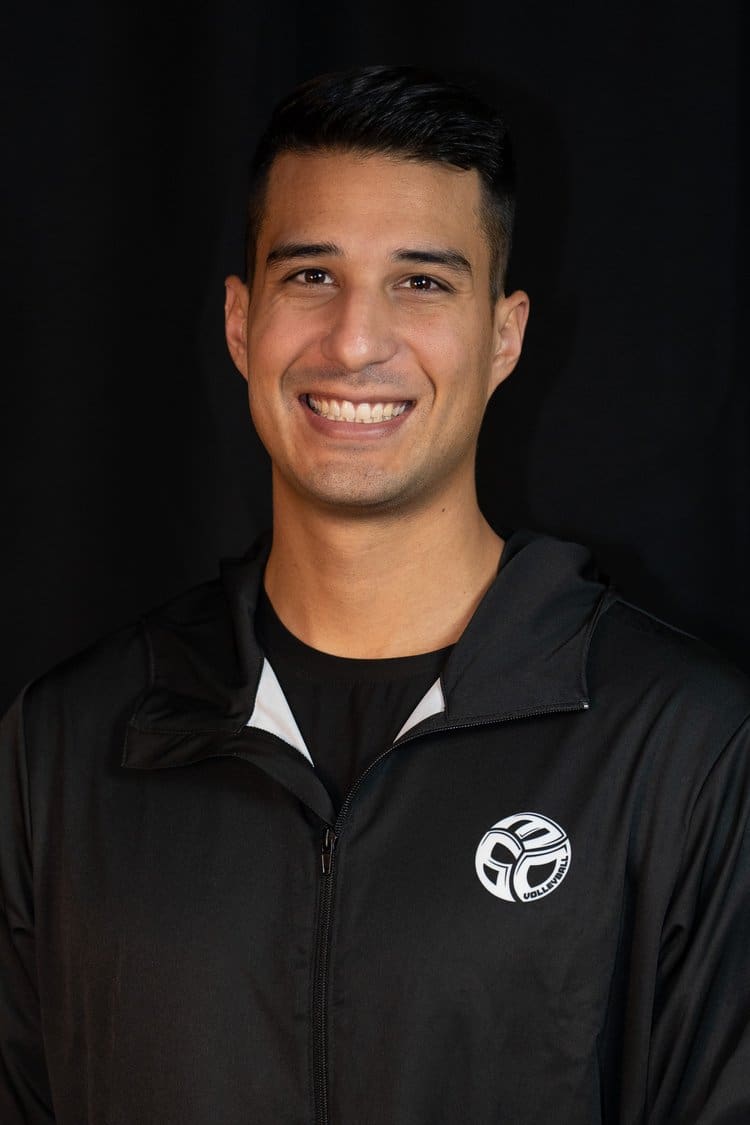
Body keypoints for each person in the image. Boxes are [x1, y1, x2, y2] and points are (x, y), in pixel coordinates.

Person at [1, 65, 749, 1125]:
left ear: (504, 335)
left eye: (422, 282)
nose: (355, 340)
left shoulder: (685, 749)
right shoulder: (63, 747)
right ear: (239, 321)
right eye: (312, 275)